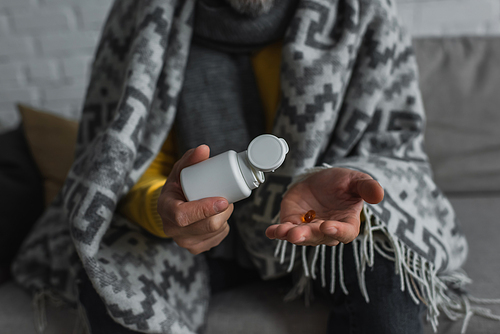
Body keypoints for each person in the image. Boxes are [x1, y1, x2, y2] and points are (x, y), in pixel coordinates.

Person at [13, 0, 471, 333]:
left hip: (318, 224)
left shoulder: (364, 14)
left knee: (392, 268)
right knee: (111, 280)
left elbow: (395, 147)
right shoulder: (142, 16)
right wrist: (164, 210)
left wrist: (345, 178)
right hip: (195, 242)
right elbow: (121, 165)